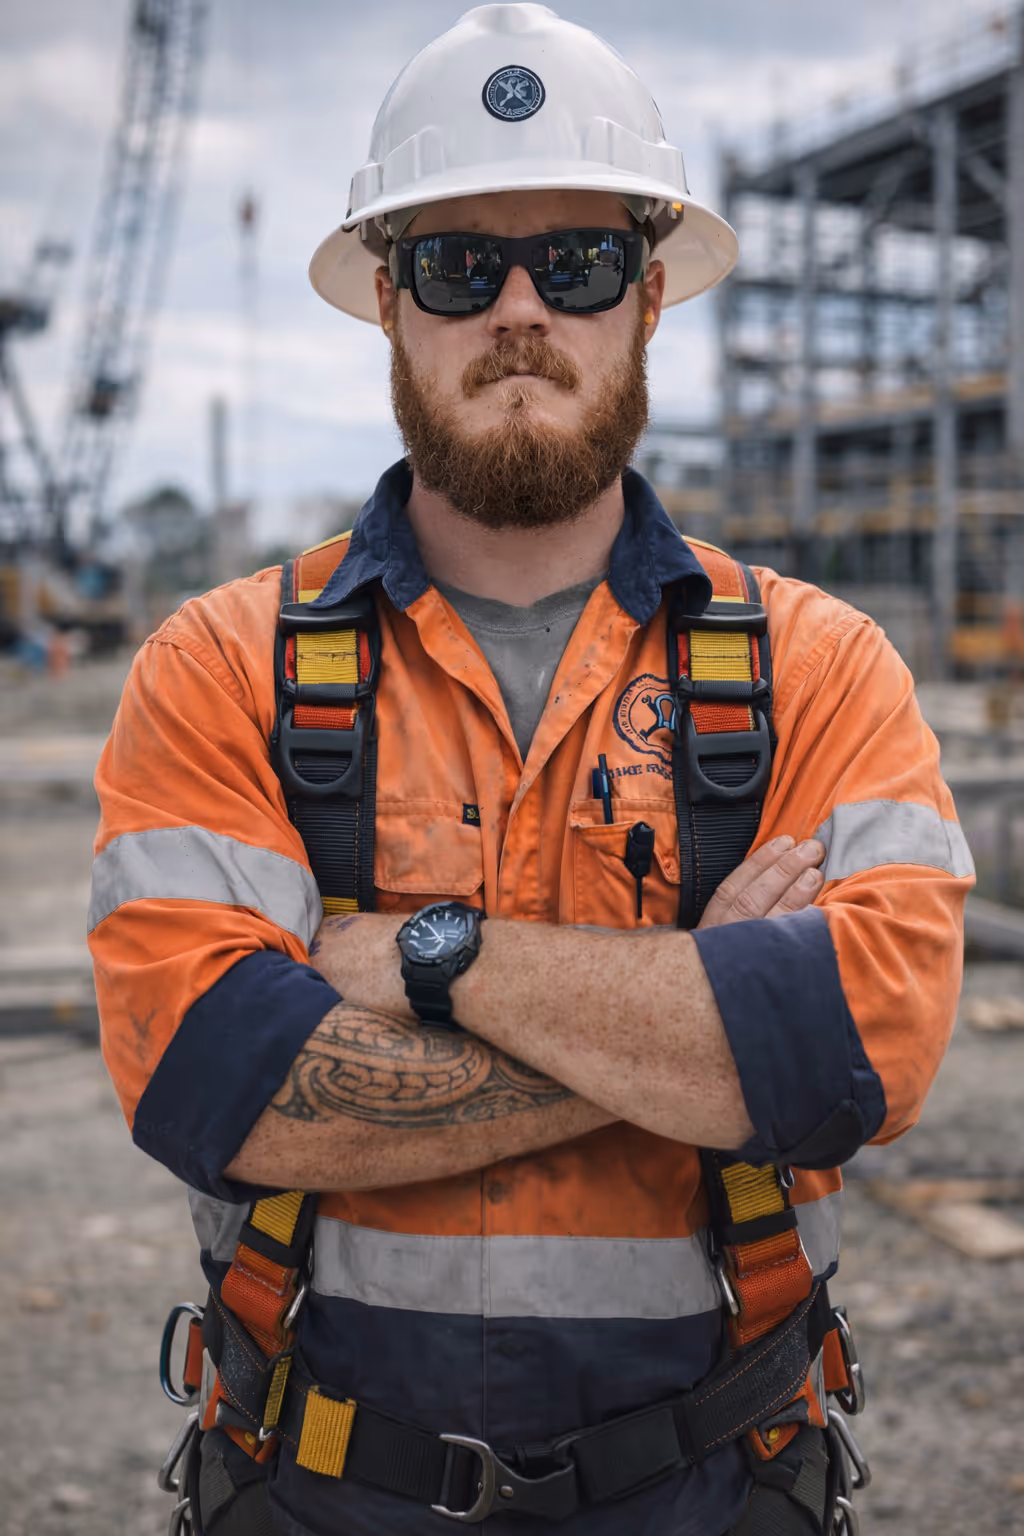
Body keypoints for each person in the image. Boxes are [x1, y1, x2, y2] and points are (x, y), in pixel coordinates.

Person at [88, 6, 972, 1535]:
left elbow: (851, 1057)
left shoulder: (816, 665)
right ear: (386, 298)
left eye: (574, 263)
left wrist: (432, 959)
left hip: (721, 1485)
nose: (519, 310)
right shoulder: (217, 666)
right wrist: (698, 1003)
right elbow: (215, 1084)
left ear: (646, 298)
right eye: (457, 265)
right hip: (314, 1484)